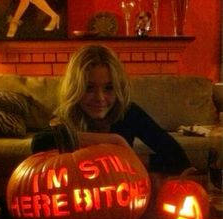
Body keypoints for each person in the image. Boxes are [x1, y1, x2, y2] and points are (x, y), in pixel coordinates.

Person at [31, 44, 191, 175]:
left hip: (122, 195)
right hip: (79, 197)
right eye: (89, 88)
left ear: (118, 89)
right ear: (75, 89)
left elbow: (177, 158)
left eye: (108, 88)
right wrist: (114, 141)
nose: (100, 98)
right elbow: (39, 142)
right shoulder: (67, 115)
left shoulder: (127, 112)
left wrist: (127, 160)